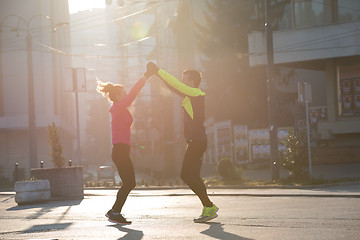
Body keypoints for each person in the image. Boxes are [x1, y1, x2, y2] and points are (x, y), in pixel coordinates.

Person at [146, 62, 218, 223]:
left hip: (197, 142)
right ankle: (208, 208)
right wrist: (158, 75)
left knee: (185, 175)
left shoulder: (195, 93)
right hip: (198, 141)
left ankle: (209, 205)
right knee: (194, 177)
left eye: (184, 79)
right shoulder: (192, 95)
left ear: (191, 82)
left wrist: (158, 71)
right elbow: (174, 86)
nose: (182, 81)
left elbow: (175, 85)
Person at [97, 71, 150, 224]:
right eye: (124, 93)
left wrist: (131, 144)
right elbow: (133, 94)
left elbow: (121, 131)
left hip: (122, 149)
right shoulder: (117, 108)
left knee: (129, 182)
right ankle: (115, 212)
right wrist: (145, 77)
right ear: (118, 96)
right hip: (120, 151)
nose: (127, 95)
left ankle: (114, 211)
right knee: (129, 182)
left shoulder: (120, 110)